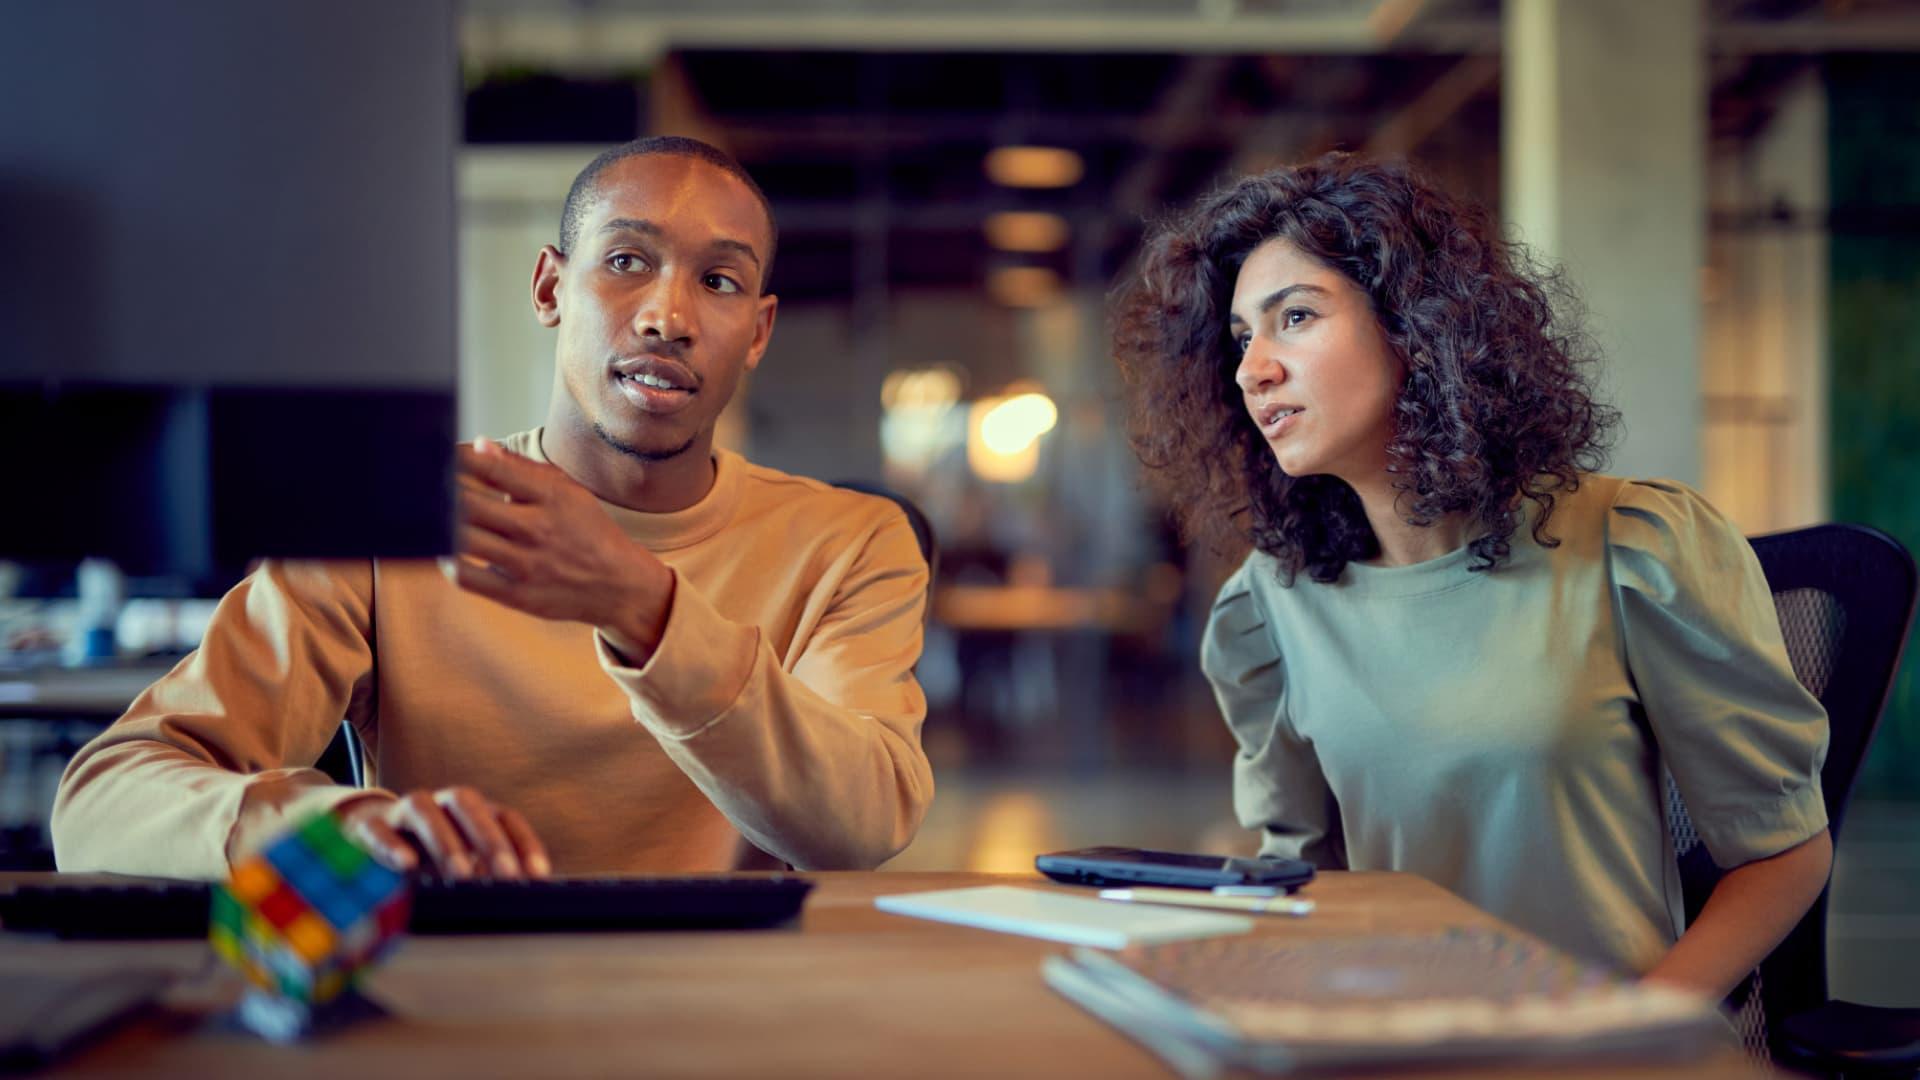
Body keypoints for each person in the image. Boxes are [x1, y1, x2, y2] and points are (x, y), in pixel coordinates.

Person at [53, 136, 934, 881]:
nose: (669, 315)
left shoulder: (851, 542)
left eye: (720, 281)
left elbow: (860, 823)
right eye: (627, 262)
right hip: (448, 995)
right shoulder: (391, 517)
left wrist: (640, 605)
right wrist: (331, 833)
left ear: (759, 331)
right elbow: (104, 799)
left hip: (725, 1003)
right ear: (551, 289)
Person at [1111, 153, 1831, 998]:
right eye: (1241, 338)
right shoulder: (1270, 607)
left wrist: (1638, 1022)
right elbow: (1302, 878)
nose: (1253, 368)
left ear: (1415, 325)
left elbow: (1785, 851)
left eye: (1295, 317)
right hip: (1392, 1036)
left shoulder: (1637, 547)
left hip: (1601, 1046)